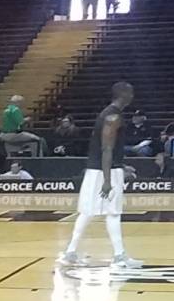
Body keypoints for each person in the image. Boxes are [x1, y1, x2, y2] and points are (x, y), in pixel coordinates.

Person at [59, 82, 142, 275]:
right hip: (104, 172)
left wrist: (121, 165)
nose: (133, 95)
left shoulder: (110, 113)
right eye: (131, 92)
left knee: (89, 212)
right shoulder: (113, 116)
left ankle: (72, 252)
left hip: (101, 169)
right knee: (111, 212)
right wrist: (107, 179)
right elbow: (106, 148)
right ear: (124, 94)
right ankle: (118, 256)